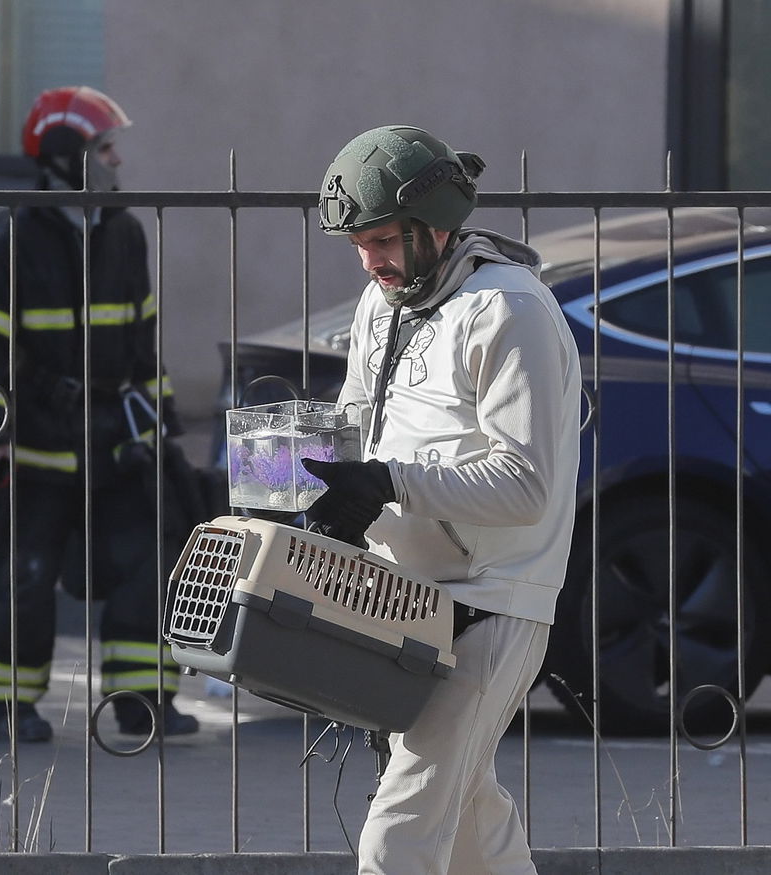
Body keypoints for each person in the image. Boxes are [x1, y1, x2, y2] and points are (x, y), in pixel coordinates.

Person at [303, 125, 581, 874]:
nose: (371, 261)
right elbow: (360, 424)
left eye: (385, 240)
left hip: (495, 602)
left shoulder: (508, 310)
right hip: (402, 602)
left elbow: (527, 485)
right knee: (471, 825)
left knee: (398, 835)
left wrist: (391, 483)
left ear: (438, 224)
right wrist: (323, 482)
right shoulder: (381, 301)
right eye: (357, 244)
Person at [0, 85, 198, 742]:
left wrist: (162, 432)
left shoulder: (124, 235)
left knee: (150, 562)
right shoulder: (11, 244)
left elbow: (144, 346)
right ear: (67, 158)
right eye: (105, 149)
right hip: (37, 448)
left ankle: (142, 700)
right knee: (25, 576)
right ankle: (7, 703)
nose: (116, 162)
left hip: (116, 444)